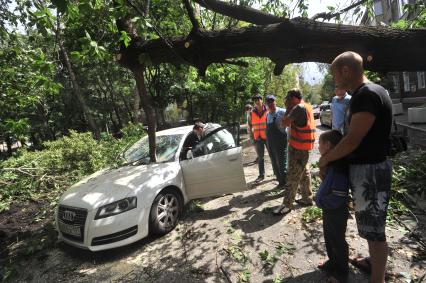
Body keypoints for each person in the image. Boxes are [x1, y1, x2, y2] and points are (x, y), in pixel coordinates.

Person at [318, 51, 393, 283]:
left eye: (334, 75)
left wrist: (327, 158)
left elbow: (353, 139)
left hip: (370, 173)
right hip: (369, 170)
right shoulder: (369, 92)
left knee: (375, 232)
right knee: (372, 227)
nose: (334, 81)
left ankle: (377, 279)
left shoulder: (365, 95)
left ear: (346, 71)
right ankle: (373, 263)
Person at [273, 89, 316, 215]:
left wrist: (287, 108)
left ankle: (287, 204)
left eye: (288, 98)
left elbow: (284, 123)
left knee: (292, 176)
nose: (286, 101)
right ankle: (307, 198)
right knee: (304, 173)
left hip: (297, 148)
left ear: (295, 98)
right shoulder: (307, 106)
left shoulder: (297, 108)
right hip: (305, 147)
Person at [316, 130, 349, 283]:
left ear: (328, 145)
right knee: (329, 237)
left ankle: (342, 273)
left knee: (337, 240)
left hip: (335, 210)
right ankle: (332, 262)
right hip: (329, 210)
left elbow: (339, 195)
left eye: (319, 144)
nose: (318, 147)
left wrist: (322, 202)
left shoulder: (338, 167)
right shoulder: (331, 164)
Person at [265, 94, 287, 187]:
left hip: (281, 142)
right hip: (271, 143)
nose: (270, 104)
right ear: (266, 104)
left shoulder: (282, 112)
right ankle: (280, 182)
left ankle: (286, 183)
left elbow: (290, 124)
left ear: (275, 102)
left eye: (272, 101)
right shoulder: (268, 115)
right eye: (268, 102)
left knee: (282, 163)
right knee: (274, 163)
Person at [248, 93, 268, 182]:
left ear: (261, 100)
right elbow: (249, 126)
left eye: (258, 100)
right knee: (260, 157)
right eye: (255, 101)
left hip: (268, 137)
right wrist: (253, 138)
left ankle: (277, 173)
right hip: (258, 138)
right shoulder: (251, 113)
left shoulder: (268, 110)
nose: (257, 102)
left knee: (273, 155)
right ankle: (261, 175)